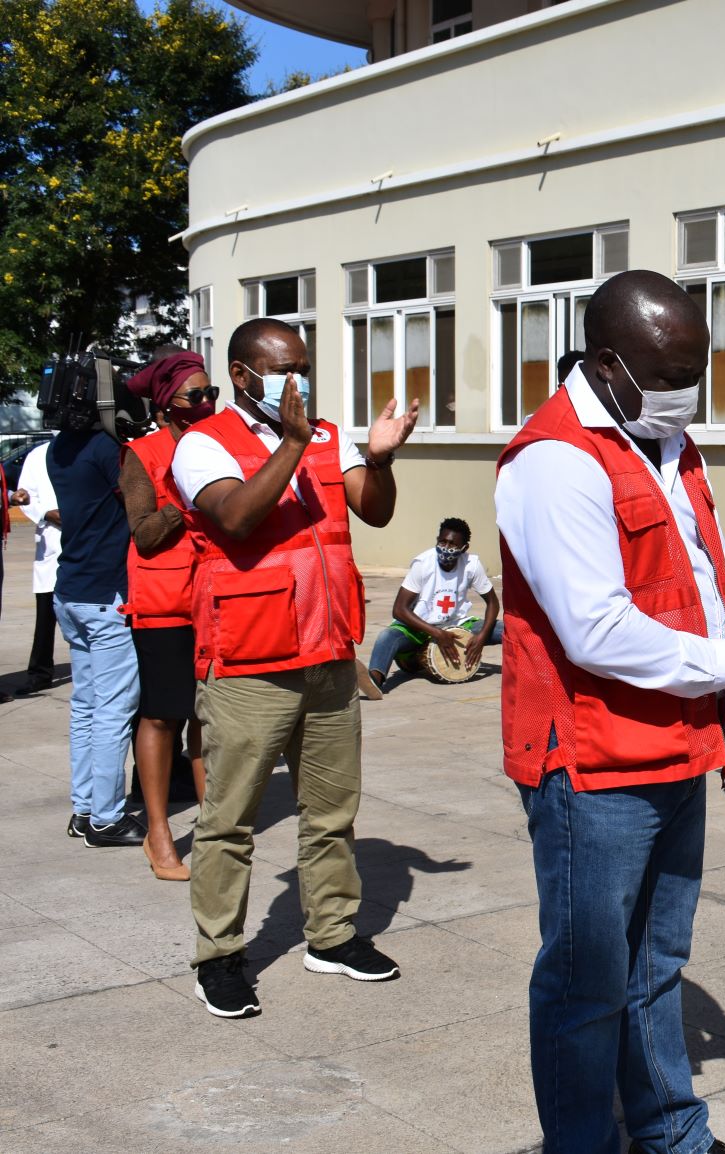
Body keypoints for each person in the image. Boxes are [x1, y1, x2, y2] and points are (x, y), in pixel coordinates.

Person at [494, 270, 725, 1154]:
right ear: (608, 363)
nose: (687, 395)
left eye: (697, 372)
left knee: (656, 968)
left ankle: (671, 1134)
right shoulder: (555, 460)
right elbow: (596, 628)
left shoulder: (664, 439)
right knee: (585, 985)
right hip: (594, 763)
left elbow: (705, 566)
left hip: (679, 745)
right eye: (670, 373)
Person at [174, 317, 419, 1019]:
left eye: (303, 366)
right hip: (250, 662)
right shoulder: (204, 445)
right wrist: (290, 439)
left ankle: (332, 936)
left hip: (327, 655)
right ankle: (218, 955)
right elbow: (238, 517)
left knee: (332, 813)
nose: (298, 380)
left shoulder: (325, 436)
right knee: (228, 821)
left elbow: (370, 513)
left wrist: (378, 460)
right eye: (283, 369)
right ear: (244, 376)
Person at [119, 349, 216, 881]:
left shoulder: (221, 445)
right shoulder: (144, 453)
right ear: (168, 404)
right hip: (165, 605)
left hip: (215, 598)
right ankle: (159, 834)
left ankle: (215, 828)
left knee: (209, 717)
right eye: (195, 396)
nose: (206, 403)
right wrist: (184, 496)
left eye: (211, 394)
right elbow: (144, 534)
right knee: (164, 714)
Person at [48, 398, 145, 847]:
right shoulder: (107, 451)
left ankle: (84, 807)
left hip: (70, 591)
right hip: (106, 597)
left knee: (86, 707)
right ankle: (106, 818)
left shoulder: (59, 447)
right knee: (113, 710)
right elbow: (139, 503)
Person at [364, 516, 503, 695]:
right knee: (387, 636)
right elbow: (399, 609)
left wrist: (482, 636)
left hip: (456, 624)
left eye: (452, 545)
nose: (446, 548)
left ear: (464, 548)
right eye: (442, 542)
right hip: (419, 626)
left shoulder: (471, 565)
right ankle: (375, 680)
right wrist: (437, 633)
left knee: (507, 630)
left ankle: (531, 669)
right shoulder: (423, 564)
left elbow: (492, 602)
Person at [18, 441, 61, 694]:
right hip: (51, 539)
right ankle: (40, 671)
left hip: (87, 538)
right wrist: (46, 512)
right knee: (46, 615)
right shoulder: (39, 454)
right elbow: (26, 495)